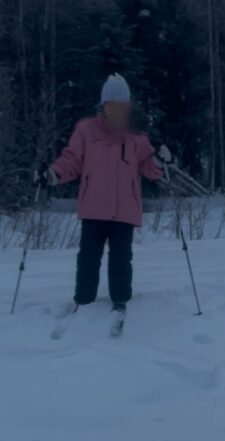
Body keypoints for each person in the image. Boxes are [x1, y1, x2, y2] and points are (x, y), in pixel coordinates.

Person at [43, 74, 170, 316]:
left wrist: (161, 160)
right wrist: (52, 175)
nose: (116, 111)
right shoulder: (86, 130)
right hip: (94, 207)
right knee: (89, 258)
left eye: (121, 106)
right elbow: (71, 160)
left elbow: (148, 167)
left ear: (127, 106)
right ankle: (84, 300)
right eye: (111, 105)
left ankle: (120, 300)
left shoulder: (136, 135)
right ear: (103, 105)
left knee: (121, 260)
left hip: (125, 210)